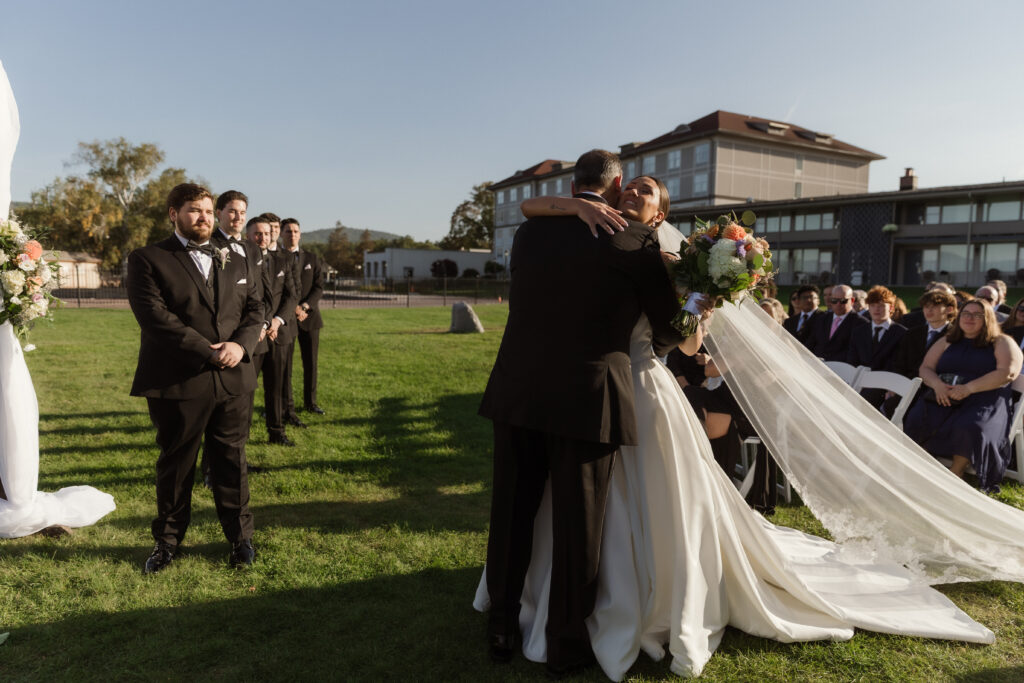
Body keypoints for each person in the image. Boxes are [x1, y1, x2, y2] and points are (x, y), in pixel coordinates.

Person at [476, 170, 1007, 680]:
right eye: (630, 186)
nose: (635, 192)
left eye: (647, 190)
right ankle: (565, 606)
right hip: (598, 390)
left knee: (638, 499)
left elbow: (683, 340)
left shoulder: (657, 255)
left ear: (660, 214)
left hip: (634, 386)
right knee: (582, 506)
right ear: (613, 194)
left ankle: (627, 595)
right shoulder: (606, 238)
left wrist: (700, 303)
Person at [477, 150, 688, 676]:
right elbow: (668, 332)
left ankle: (501, 625)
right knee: (579, 527)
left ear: (575, 186)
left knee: (511, 514)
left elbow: (534, 213)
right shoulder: (635, 240)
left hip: (519, 389)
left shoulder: (530, 232)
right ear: (615, 188)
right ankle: (565, 643)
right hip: (588, 398)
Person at [126, 183, 263, 572]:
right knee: (177, 464)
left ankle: (240, 540)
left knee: (232, 460)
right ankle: (167, 543)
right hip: (179, 378)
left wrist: (239, 346)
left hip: (234, 378)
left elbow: (256, 307)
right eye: (193, 210)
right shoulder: (148, 259)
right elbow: (155, 318)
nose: (203, 217)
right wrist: (209, 351)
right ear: (174, 214)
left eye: (207, 210)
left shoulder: (236, 257)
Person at [904, 300, 1023, 491]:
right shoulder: (947, 341)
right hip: (944, 395)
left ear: (988, 318)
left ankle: (955, 472)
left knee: (968, 426)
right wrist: (937, 385)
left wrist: (969, 388)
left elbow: (1007, 373)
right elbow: (925, 368)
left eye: (977, 315)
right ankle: (922, 465)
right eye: (966, 313)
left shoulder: (1002, 342)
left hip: (985, 399)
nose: (970, 318)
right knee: (919, 417)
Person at [247, 216, 298, 447]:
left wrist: (276, 322)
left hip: (277, 334)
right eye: (258, 234)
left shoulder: (283, 260)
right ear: (248, 236)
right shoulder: (242, 261)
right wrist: (261, 324)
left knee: (276, 387)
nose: (263, 238)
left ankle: (277, 431)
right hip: (254, 335)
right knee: (247, 389)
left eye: (266, 234)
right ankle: (241, 436)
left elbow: (291, 295)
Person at [280, 218, 326, 418]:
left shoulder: (312, 259)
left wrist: (305, 307)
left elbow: (319, 287)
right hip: (285, 320)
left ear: (300, 235)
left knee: (311, 363)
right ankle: (283, 405)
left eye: (296, 231)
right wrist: (291, 310)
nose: (292, 234)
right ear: (281, 234)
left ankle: (311, 403)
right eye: (288, 231)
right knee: (284, 365)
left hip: (310, 317)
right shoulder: (275, 258)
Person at [847, 286, 907, 406]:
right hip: (859, 382)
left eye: (881, 305)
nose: (876, 309)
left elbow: (899, 364)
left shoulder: (902, 333)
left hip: (885, 385)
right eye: (873, 305)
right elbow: (852, 360)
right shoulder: (859, 332)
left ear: (891, 308)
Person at [804, 283, 869, 361]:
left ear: (852, 300)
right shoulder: (821, 319)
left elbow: (857, 353)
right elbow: (810, 344)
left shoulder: (861, 323)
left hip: (842, 366)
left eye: (843, 301)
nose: (838, 304)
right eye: (834, 301)